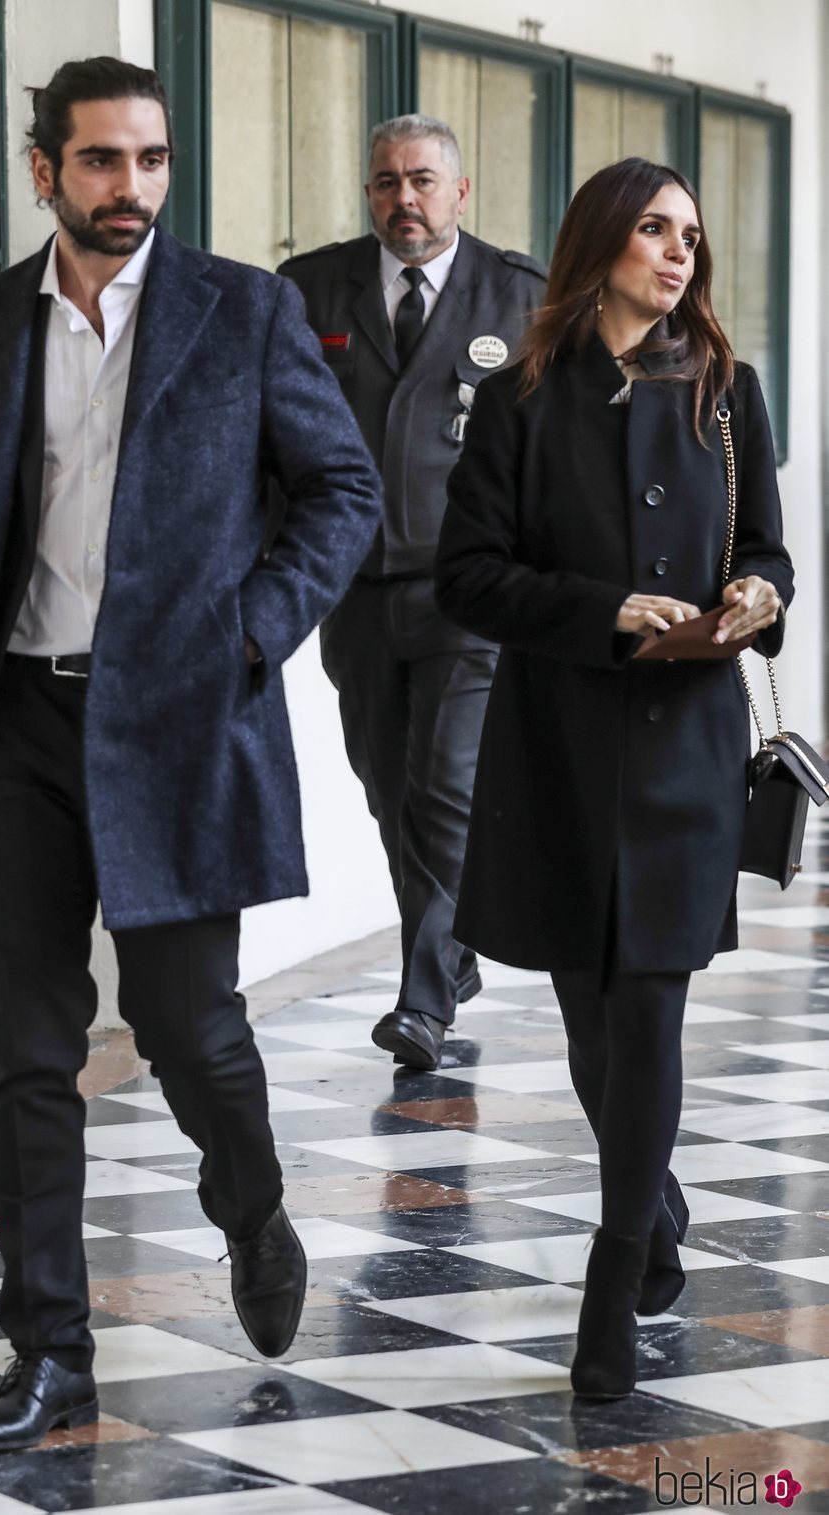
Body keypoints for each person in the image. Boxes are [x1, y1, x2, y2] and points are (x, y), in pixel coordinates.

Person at [0, 57, 380, 1452]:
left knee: (187, 1029)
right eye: (102, 162)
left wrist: (248, 633)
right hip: (17, 726)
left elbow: (344, 489)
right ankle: (51, 1355)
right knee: (28, 1056)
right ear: (45, 170)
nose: (131, 189)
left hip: (177, 721)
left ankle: (253, 1202)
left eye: (151, 161)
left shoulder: (243, 310)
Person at [434, 157, 793, 1399]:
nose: (677, 252)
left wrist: (757, 594)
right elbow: (466, 575)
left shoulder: (728, 393)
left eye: (688, 233)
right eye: (652, 230)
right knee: (594, 1023)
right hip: (561, 756)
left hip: (687, 756)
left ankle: (613, 1267)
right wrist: (605, 611)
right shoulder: (523, 398)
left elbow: (767, 550)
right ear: (599, 243)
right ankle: (659, 1202)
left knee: (645, 1010)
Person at [280, 115, 546, 1072]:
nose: (406, 199)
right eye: (387, 182)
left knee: (444, 789)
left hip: (467, 592)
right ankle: (454, 944)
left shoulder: (519, 297)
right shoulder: (310, 289)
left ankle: (424, 998)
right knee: (387, 786)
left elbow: (548, 458)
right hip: (351, 585)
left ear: (460, 192)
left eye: (424, 180)